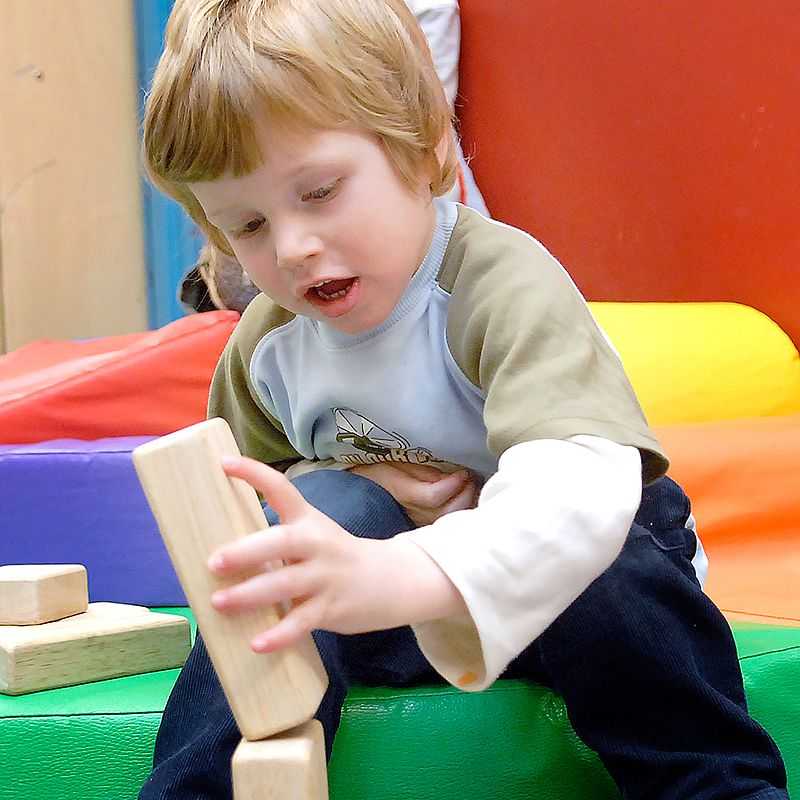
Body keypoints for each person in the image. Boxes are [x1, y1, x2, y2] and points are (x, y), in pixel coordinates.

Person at [139, 1, 789, 798]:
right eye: (246, 224)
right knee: (315, 525)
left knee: (620, 556)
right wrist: (347, 508)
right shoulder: (268, 348)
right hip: (384, 618)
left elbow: (580, 487)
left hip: (571, 592)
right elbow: (237, 532)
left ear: (422, 153)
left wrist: (410, 568)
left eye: (319, 192)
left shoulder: (497, 285)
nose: (293, 246)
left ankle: (716, 785)